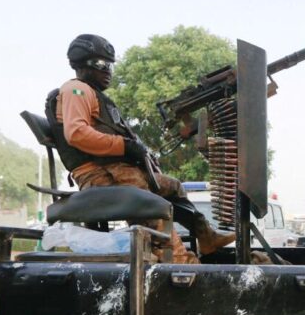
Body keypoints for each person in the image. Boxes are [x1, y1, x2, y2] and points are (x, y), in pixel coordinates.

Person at [46, 34, 235, 261]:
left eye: (110, 65)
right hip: (100, 174)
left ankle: (207, 237)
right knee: (150, 204)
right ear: (81, 64)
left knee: (174, 187)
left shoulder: (98, 97)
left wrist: (140, 152)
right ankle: (178, 260)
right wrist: (124, 146)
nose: (108, 70)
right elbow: (76, 134)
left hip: (118, 170)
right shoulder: (76, 89)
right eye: (100, 64)